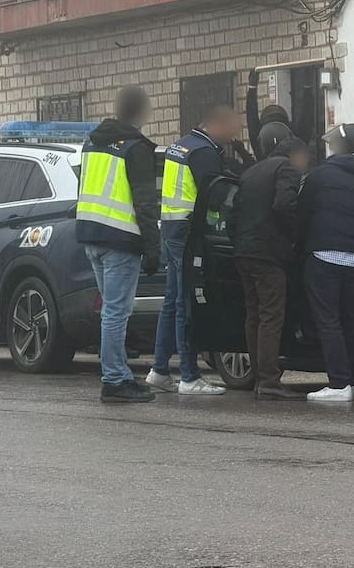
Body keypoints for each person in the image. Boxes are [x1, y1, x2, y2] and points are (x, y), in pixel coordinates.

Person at [146, 104, 240, 395]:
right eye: (231, 128)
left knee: (172, 301)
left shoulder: (182, 145)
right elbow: (216, 196)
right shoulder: (203, 152)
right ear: (216, 124)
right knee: (185, 304)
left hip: (171, 229)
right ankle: (189, 376)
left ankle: (159, 370)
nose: (234, 134)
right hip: (187, 232)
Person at [76, 86, 160, 404]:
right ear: (141, 112)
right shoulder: (135, 148)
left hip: (91, 235)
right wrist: (153, 247)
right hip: (120, 239)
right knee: (116, 312)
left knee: (111, 311)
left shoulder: (92, 142)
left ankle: (120, 374)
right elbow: (145, 203)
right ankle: (114, 380)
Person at [298, 123, 354, 401]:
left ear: (340, 148)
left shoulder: (320, 176)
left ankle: (338, 384)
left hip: (324, 256)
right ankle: (352, 382)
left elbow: (302, 214)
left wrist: (301, 249)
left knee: (329, 321)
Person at [229, 138, 310, 400]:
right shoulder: (286, 168)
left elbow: (233, 213)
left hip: (244, 252)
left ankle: (259, 378)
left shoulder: (251, 172)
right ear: (296, 154)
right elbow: (284, 205)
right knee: (271, 316)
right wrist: (293, 237)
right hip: (268, 253)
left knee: (254, 315)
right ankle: (269, 381)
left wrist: (239, 242)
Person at [247, 67, 315, 160]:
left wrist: (252, 88)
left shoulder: (261, 150)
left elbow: (251, 119)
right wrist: (308, 88)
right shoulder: (292, 144)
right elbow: (306, 123)